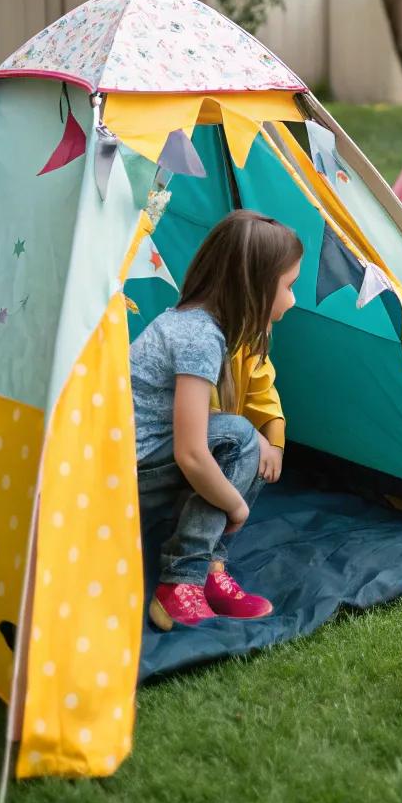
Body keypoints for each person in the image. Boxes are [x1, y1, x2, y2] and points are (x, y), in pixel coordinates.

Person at [131, 209, 303, 629]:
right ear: (255, 285)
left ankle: (209, 569)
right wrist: (235, 505)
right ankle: (181, 580)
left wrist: (267, 441)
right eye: (288, 286)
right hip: (127, 471)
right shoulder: (198, 337)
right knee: (241, 437)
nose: (293, 300)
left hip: (150, 460)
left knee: (253, 446)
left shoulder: (208, 328)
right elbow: (190, 453)